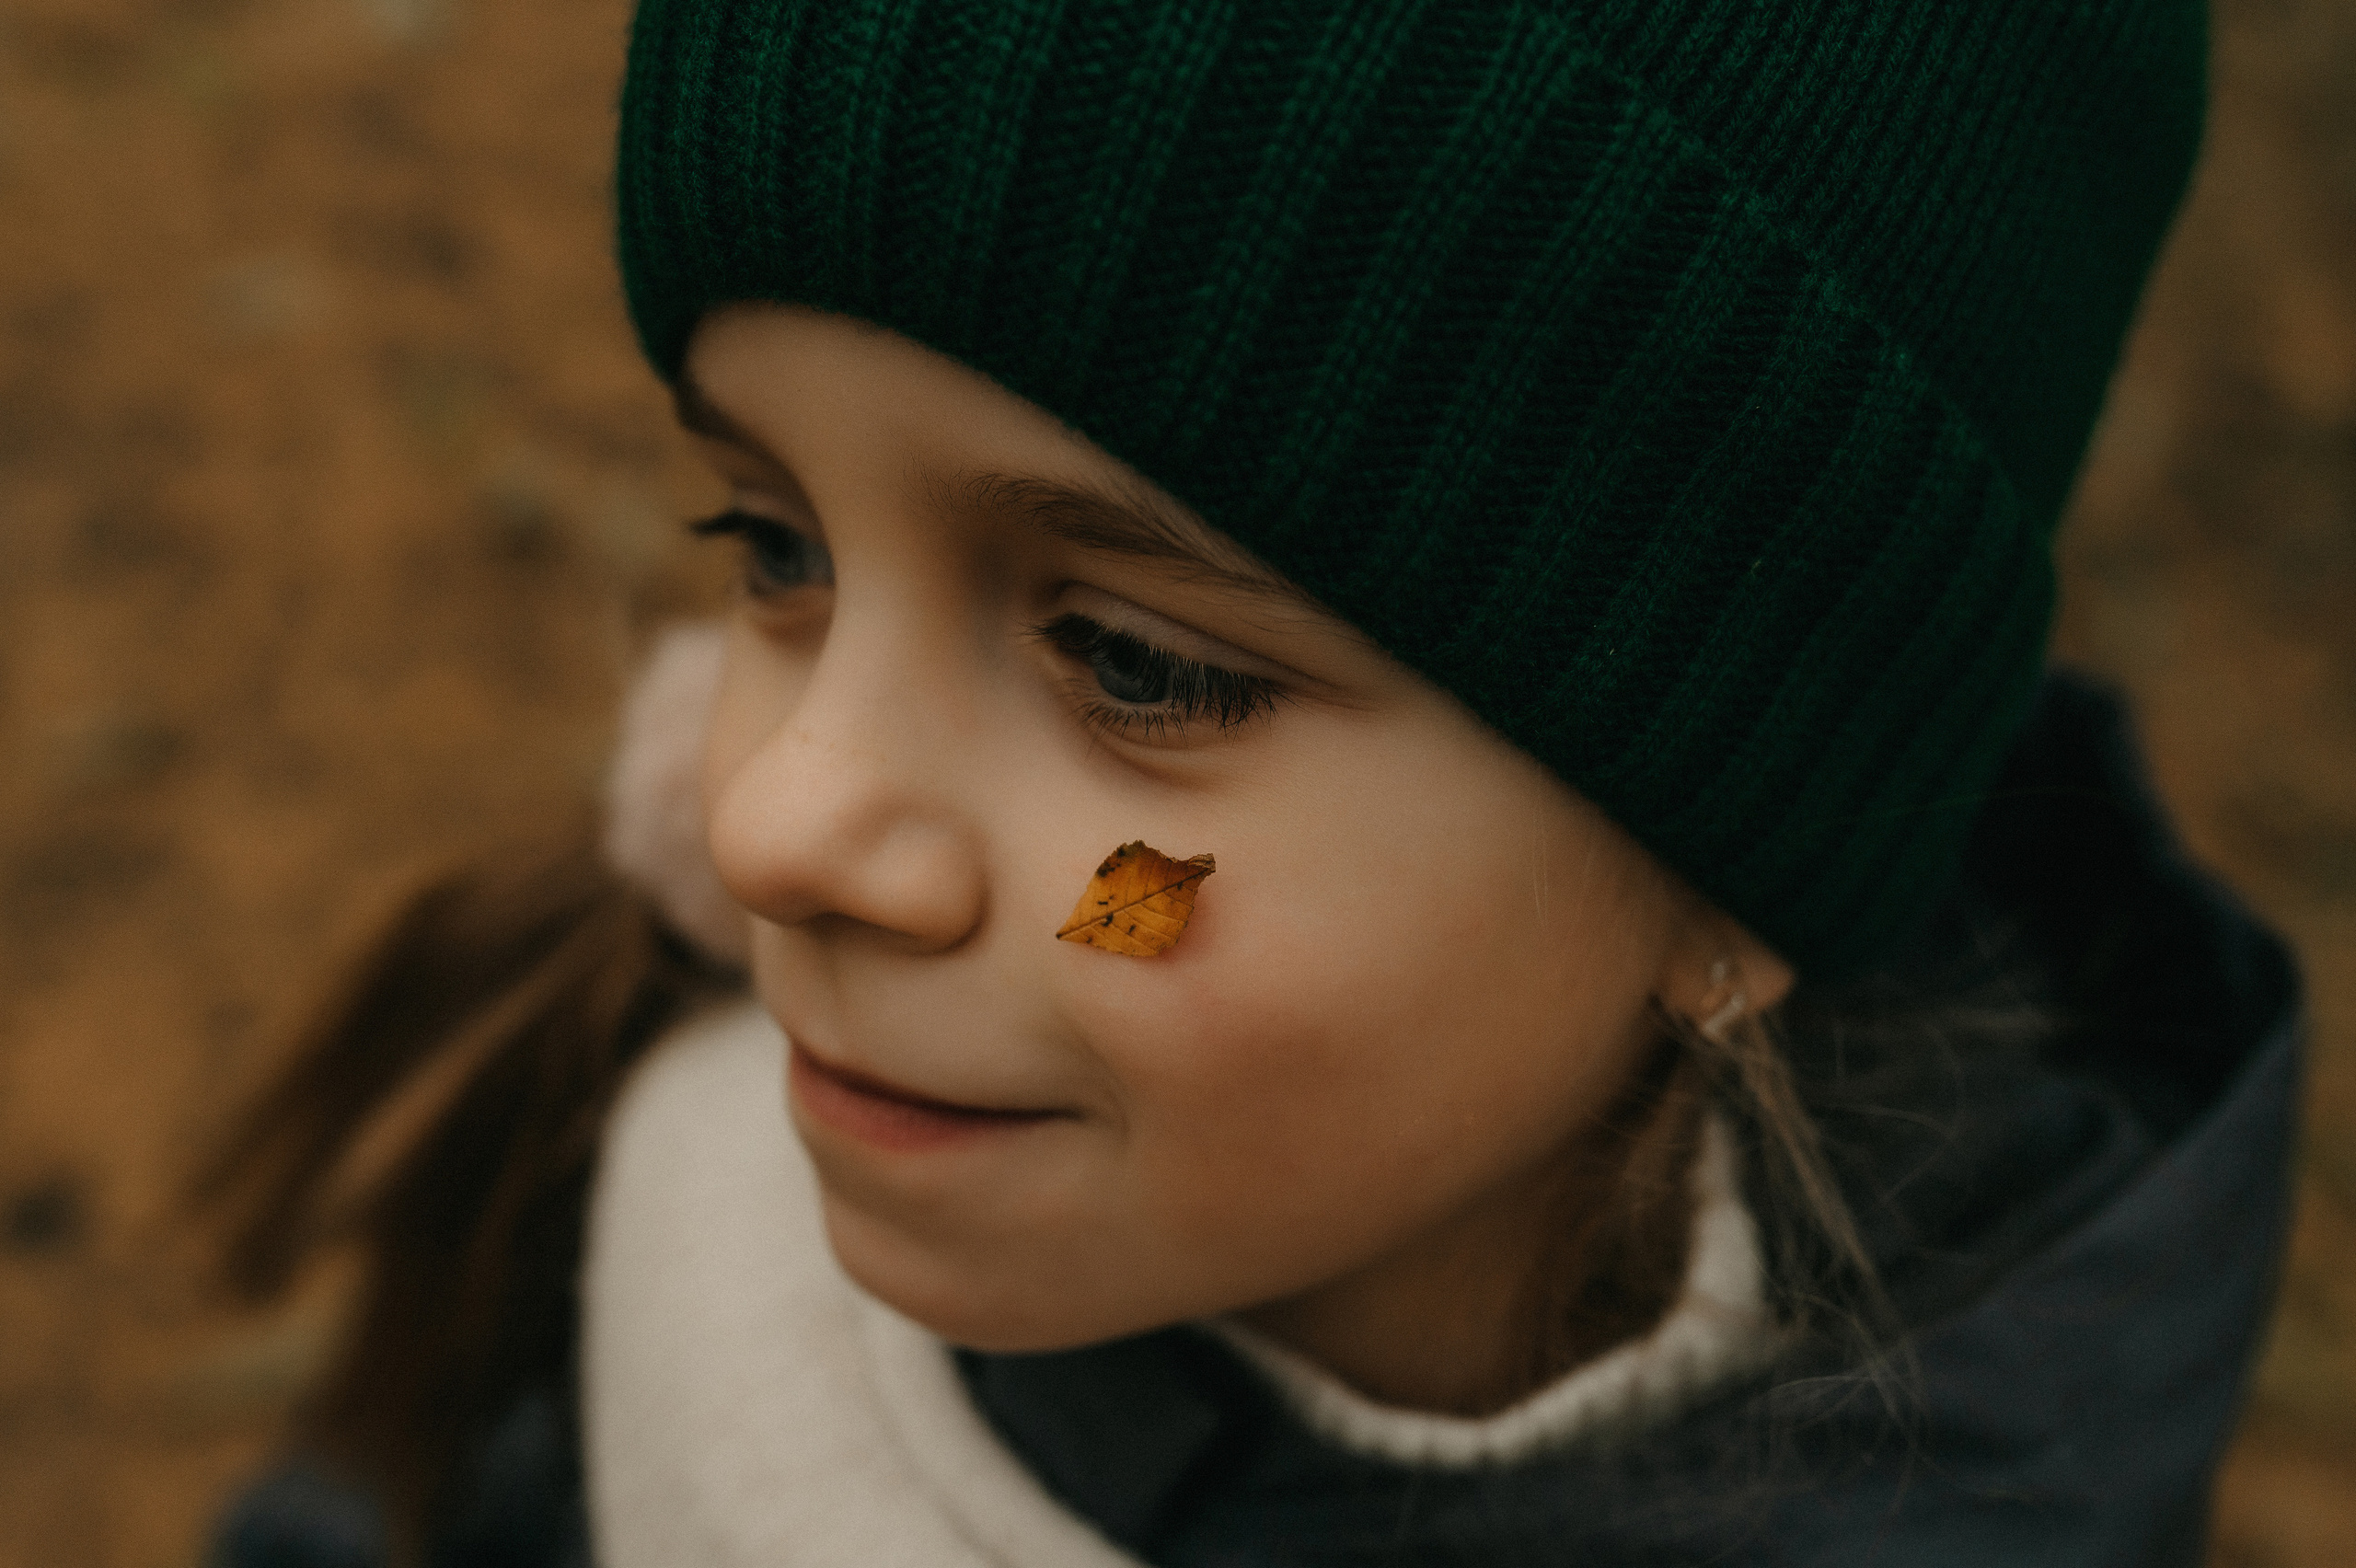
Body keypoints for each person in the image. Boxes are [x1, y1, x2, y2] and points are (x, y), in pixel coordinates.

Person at [206, 1, 2302, 1563]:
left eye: (1133, 660)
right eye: (776, 547)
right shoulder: (677, 1137)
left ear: (1722, 857)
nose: (776, 823)